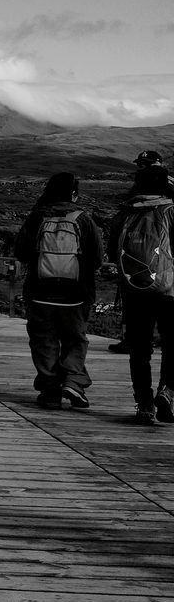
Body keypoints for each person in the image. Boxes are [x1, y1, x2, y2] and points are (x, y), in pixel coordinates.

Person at [13, 173, 105, 410]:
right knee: (75, 338)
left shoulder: (37, 216)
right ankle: (73, 381)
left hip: (40, 291)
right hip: (76, 294)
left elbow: (21, 252)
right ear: (73, 193)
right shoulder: (83, 219)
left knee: (44, 339)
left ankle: (50, 388)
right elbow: (97, 258)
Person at [108, 164, 174, 425]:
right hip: (169, 289)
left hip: (134, 290)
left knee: (139, 349)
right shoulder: (170, 210)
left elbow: (114, 253)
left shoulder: (124, 213)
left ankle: (144, 403)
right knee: (172, 344)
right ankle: (167, 391)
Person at [111, 151, 165, 353]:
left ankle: (133, 341)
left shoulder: (135, 199)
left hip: (134, 260)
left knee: (133, 303)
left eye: (144, 164)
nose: (141, 167)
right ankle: (156, 339)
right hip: (164, 262)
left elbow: (118, 228)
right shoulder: (168, 189)